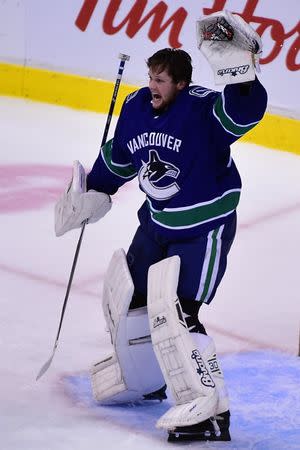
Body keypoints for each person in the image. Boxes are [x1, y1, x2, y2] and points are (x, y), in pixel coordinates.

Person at [55, 11, 267, 442]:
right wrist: (93, 190)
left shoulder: (203, 110)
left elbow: (244, 109)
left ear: (182, 84)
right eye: (151, 76)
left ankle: (212, 413)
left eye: (162, 80)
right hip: (155, 224)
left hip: (202, 229)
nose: (153, 85)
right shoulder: (135, 107)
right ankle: (144, 381)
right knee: (126, 298)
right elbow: (119, 157)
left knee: (178, 314)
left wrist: (241, 72)